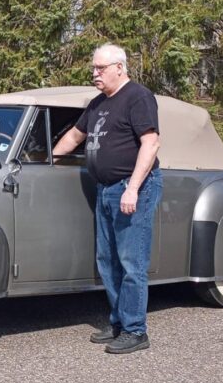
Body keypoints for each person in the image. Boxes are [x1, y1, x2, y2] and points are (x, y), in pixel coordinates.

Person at [53, 44, 162, 354]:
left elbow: (150, 143)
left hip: (131, 187)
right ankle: (118, 321)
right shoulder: (99, 103)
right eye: (93, 68)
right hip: (105, 188)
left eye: (100, 68)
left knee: (131, 261)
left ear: (119, 67)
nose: (94, 73)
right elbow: (75, 136)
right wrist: (46, 160)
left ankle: (135, 330)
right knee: (107, 260)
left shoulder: (138, 97)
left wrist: (133, 189)